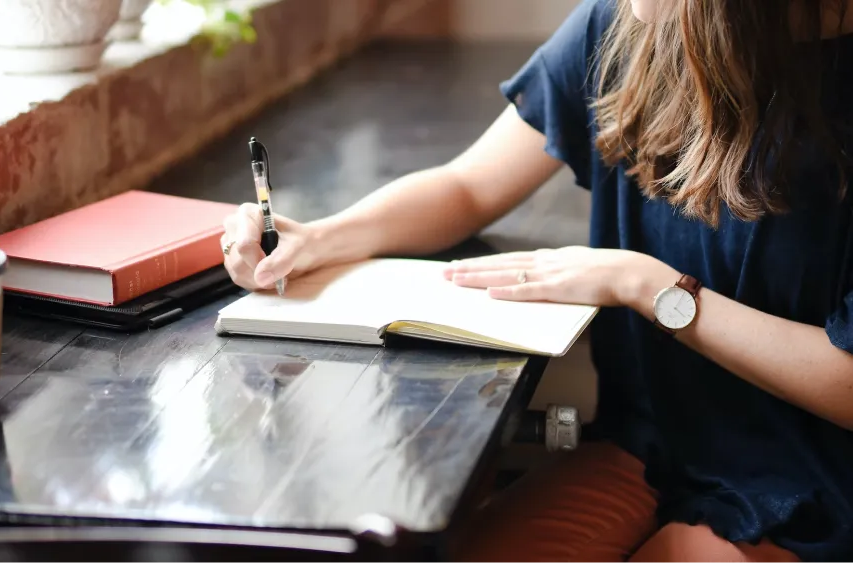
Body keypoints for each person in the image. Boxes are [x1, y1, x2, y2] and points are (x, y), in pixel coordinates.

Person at [220, 0, 853, 560]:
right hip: (647, 451)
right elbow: (469, 186)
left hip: (815, 482)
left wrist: (644, 285)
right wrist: (320, 238)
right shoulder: (619, 28)